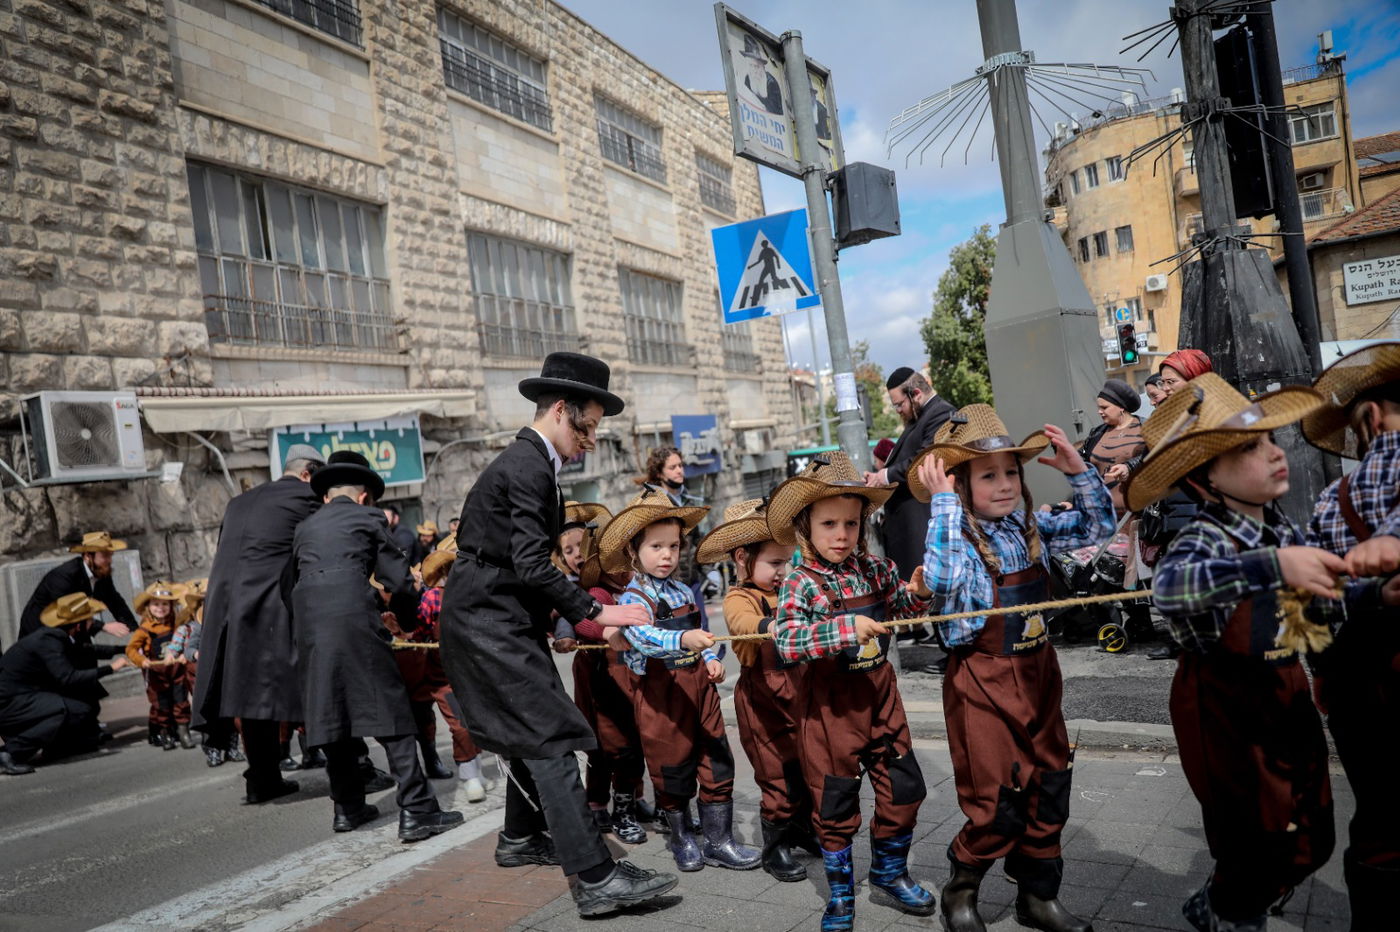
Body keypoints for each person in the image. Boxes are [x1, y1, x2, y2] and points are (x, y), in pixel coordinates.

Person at [437, 352, 678, 918]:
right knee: (549, 740)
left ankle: (519, 840)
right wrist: (600, 617)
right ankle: (594, 878)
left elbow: (520, 564)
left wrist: (572, 623)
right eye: (589, 425)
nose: (592, 439)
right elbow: (530, 563)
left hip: (495, 617)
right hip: (486, 621)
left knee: (531, 732)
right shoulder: (527, 465)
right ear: (563, 410)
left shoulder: (533, 463)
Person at [1126, 373, 1342, 932]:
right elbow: (1171, 589)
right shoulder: (1201, 537)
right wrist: (1268, 567)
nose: (1274, 454)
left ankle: (1230, 899)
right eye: (1250, 448)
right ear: (1204, 479)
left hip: (1284, 689)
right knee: (1252, 832)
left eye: (1272, 439)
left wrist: (1326, 649)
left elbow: (1307, 610)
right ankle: (1231, 909)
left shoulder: (1283, 527)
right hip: (1223, 705)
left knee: (1312, 827)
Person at [912, 406, 1114, 932]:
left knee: (1051, 784)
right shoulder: (955, 537)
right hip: (981, 681)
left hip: (1039, 678)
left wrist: (1078, 470)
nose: (1004, 484)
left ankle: (1037, 897)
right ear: (959, 486)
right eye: (988, 474)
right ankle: (961, 889)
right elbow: (942, 577)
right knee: (997, 799)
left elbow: (1101, 525)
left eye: (1011, 472)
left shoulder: (1034, 526)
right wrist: (942, 507)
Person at [768, 452, 936, 931]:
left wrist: (918, 593)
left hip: (882, 702)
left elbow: (903, 611)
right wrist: (842, 629)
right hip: (829, 714)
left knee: (905, 790)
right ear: (805, 526)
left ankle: (888, 871)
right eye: (829, 524)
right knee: (836, 806)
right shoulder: (799, 581)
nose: (841, 535)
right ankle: (841, 897)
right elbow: (787, 639)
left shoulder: (877, 569)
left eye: (850, 523)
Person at [288, 450, 464, 843]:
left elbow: (290, 586)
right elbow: (399, 582)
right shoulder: (369, 518)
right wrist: (406, 620)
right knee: (391, 711)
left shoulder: (305, 527)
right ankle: (417, 811)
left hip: (310, 623)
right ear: (365, 495)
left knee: (331, 711)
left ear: (327, 496)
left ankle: (347, 808)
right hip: (352, 614)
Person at [598, 488, 761, 874]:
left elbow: (700, 630)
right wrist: (683, 640)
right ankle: (682, 837)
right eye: (656, 546)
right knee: (671, 766)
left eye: (673, 546)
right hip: (660, 694)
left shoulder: (684, 591)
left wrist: (708, 658)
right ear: (633, 551)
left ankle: (720, 841)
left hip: (699, 689)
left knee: (716, 758)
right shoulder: (630, 600)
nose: (667, 555)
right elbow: (645, 639)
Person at [1300, 342, 1400, 927]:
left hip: (1361, 695)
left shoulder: (1331, 503)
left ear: (1365, 420)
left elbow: (1312, 609)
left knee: (1382, 820)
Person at [193, 443, 324, 803]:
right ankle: (354, 769)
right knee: (319, 680)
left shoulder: (240, 501)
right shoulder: (306, 496)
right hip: (267, 604)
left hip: (224, 608)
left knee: (249, 695)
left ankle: (263, 780)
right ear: (308, 473)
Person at [697, 499, 818, 883]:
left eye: (788, 561)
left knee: (804, 766)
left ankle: (801, 828)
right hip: (763, 699)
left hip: (800, 692)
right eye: (775, 563)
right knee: (776, 775)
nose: (785, 571)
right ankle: (775, 847)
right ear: (743, 559)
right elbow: (742, 622)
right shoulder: (739, 598)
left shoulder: (797, 587)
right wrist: (772, 623)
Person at [571, 517, 655, 845]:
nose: (625, 568)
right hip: (603, 681)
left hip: (633, 680)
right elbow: (584, 622)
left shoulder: (636, 590)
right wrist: (607, 629)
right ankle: (609, 808)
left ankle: (633, 798)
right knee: (613, 746)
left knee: (634, 742)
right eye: (616, 561)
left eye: (627, 559)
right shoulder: (598, 593)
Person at [865, 367, 955, 649]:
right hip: (911, 522)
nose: (898, 411)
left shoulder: (939, 413)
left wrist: (885, 475)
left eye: (899, 405)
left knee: (941, 591)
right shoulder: (921, 417)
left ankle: (952, 649)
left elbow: (924, 458)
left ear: (915, 394)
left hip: (924, 519)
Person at [0, 594, 130, 775]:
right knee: (64, 710)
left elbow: (85, 651)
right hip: (10, 703)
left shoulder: (57, 635)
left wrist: (124, 650)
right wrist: (111, 668)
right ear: (78, 625)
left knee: (80, 709)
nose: (93, 623)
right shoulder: (49, 641)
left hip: (23, 697)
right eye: (90, 619)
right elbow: (68, 677)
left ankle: (56, 748)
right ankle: (9, 753)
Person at [1139, 350, 1215, 660]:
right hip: (1169, 511)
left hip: (1201, 513)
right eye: (1163, 382)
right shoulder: (1167, 415)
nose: (1165, 388)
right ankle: (1181, 640)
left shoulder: (1211, 416)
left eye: (1171, 382)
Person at [414, 547, 490, 801]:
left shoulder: (470, 593)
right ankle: (469, 776)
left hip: (471, 668)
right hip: (444, 673)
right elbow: (423, 630)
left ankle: (477, 773)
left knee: (476, 720)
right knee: (460, 725)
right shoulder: (432, 598)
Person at [19, 531, 136, 641]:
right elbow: (68, 612)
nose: (109, 560)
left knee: (88, 656)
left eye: (111, 555)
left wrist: (136, 630)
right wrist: (104, 626)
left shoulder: (101, 571)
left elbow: (115, 601)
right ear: (87, 556)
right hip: (41, 631)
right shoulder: (64, 576)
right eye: (104, 556)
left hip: (74, 628)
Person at [125, 581, 193, 751]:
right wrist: (142, 660)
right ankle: (165, 732)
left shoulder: (176, 624)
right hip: (156, 674)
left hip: (177, 671)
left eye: (165, 604)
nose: (160, 608)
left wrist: (186, 654)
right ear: (148, 606)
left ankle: (184, 731)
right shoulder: (144, 629)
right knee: (161, 705)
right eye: (156, 604)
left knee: (181, 701)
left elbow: (187, 640)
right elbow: (131, 649)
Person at [737, 33, 783, 115]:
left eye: (757, 66)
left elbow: (776, 112)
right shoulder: (748, 78)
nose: (754, 70)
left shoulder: (771, 84)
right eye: (751, 66)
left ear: (762, 67)